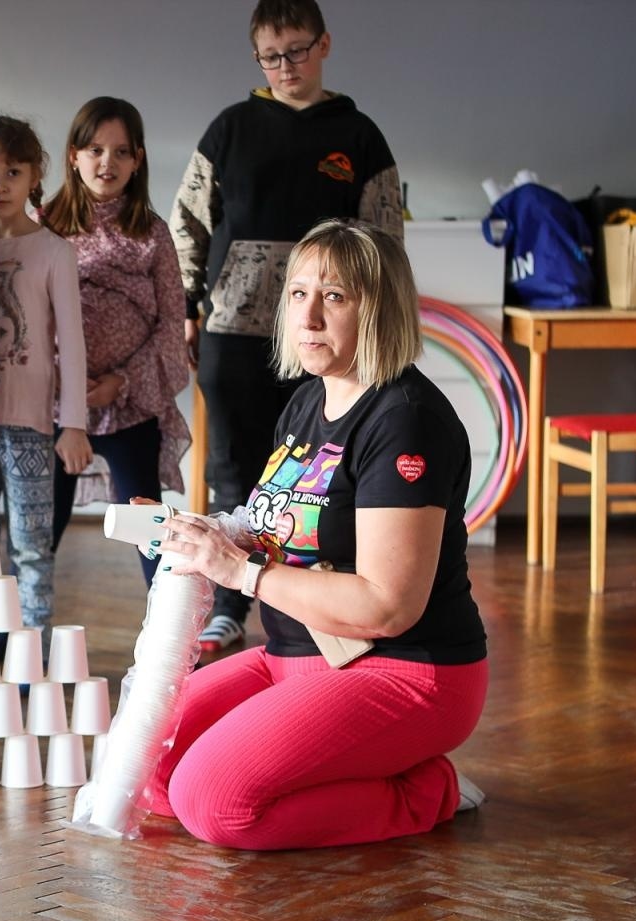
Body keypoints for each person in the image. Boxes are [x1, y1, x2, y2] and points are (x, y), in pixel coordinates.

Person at [144, 219, 488, 851]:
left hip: (403, 671)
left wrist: (241, 574)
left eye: (334, 297)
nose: (308, 317)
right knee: (150, 765)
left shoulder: (406, 422)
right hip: (299, 656)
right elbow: (274, 519)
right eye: (298, 293)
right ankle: (355, 767)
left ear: (378, 309)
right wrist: (205, 530)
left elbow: (387, 606)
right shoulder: (307, 401)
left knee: (214, 804)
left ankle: (426, 791)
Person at [172, 0, 403, 653]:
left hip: (330, 341)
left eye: (297, 51)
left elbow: (384, 237)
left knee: (320, 476)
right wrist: (189, 305)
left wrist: (375, 323)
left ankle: (318, 608)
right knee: (236, 471)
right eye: (271, 56)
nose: (285, 66)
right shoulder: (230, 128)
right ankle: (226, 605)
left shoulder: (358, 135)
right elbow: (186, 223)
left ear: (324, 44)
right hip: (235, 331)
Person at [0, 114, 92, 640]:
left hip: (31, 426)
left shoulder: (55, 252)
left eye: (13, 172)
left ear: (36, 177)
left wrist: (71, 424)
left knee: (32, 543)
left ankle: (32, 649)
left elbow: (71, 345)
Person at [43, 96, 191, 586]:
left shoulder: (152, 233)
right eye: (95, 150)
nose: (107, 163)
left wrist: (120, 383)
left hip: (129, 405)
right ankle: (11, 640)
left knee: (148, 527)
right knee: (41, 526)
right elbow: (24, 312)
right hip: (57, 407)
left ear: (138, 160)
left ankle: (168, 643)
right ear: (73, 155)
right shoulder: (44, 226)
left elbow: (173, 324)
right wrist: (66, 380)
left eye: (121, 152)